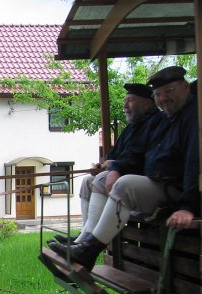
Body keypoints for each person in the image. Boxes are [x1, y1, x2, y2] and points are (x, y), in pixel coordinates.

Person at [50, 66, 199, 270]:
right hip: (159, 184)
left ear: (185, 88)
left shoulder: (192, 117)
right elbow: (139, 156)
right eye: (158, 94)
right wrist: (116, 166)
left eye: (169, 92)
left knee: (124, 185)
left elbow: (194, 162)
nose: (164, 99)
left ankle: (88, 250)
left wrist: (186, 207)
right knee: (107, 181)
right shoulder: (168, 119)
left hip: (175, 190)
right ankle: (84, 242)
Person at [53, 82, 160, 244]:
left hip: (140, 178)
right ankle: (85, 233)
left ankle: (85, 242)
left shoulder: (155, 124)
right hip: (124, 173)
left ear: (147, 103)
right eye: (125, 101)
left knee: (102, 179)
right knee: (87, 181)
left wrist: (114, 166)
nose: (125, 106)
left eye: (130, 100)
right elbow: (115, 154)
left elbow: (138, 158)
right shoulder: (131, 128)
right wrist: (102, 165)